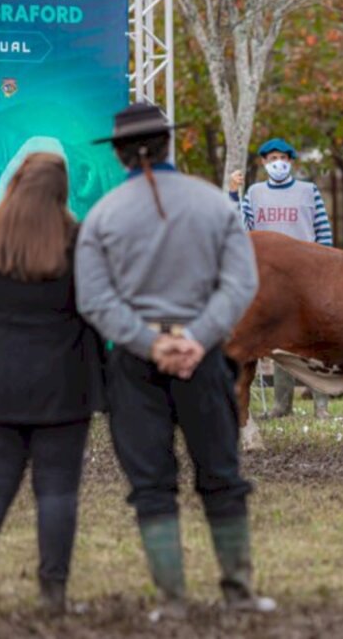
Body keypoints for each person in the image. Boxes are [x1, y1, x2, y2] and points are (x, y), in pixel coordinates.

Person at [77, 103, 274, 618]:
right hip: (204, 359)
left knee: (151, 482)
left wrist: (149, 342)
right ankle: (240, 590)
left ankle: (172, 599)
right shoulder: (214, 205)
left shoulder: (101, 216)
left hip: (134, 366)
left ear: (119, 154)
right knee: (222, 473)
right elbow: (241, 283)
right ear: (169, 145)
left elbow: (95, 300)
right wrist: (197, 337)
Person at [0, 153, 105, 617]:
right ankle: (53, 597)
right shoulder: (78, 243)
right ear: (62, 192)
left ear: (13, 183)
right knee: (57, 491)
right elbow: (95, 308)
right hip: (63, 382)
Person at [228, 138, 332, 420]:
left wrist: (327, 265)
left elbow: (323, 230)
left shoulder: (308, 191)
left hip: (307, 271)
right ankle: (282, 404)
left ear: (291, 162)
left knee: (314, 338)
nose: (278, 163)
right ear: (264, 162)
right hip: (270, 275)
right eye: (273, 158)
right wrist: (232, 194)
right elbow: (242, 228)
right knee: (280, 340)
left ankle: (321, 403)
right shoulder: (255, 192)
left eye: (284, 158)